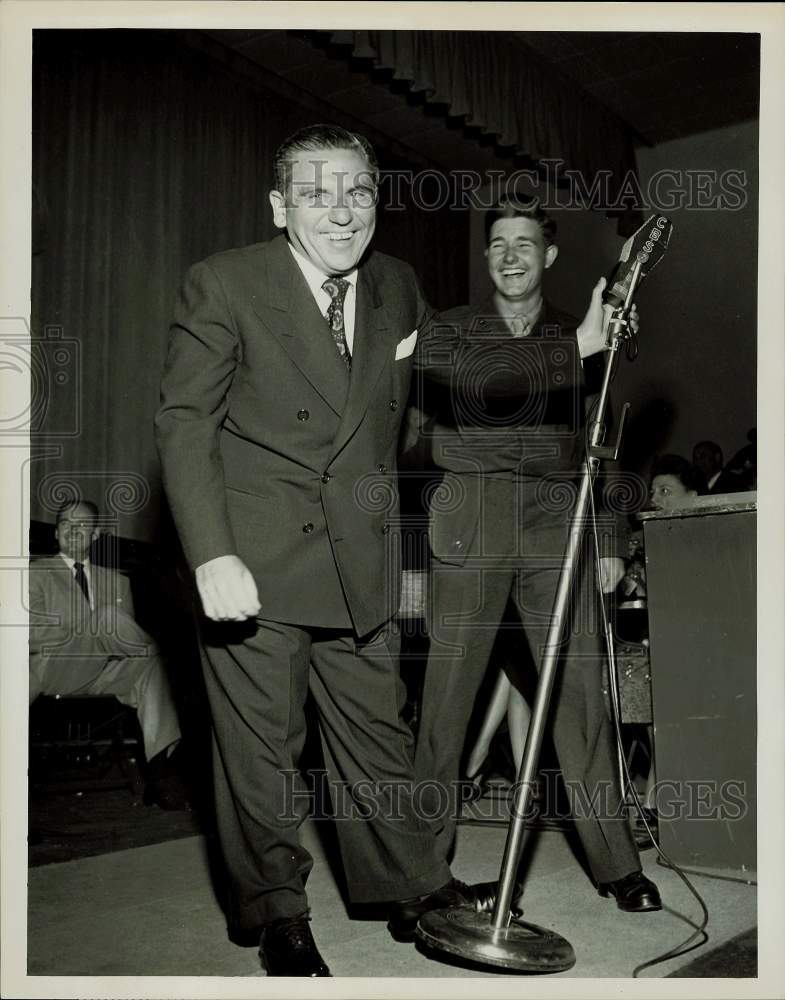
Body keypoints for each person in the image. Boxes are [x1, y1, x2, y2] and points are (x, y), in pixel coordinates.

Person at [154, 125, 613, 976]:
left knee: (376, 742)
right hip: (251, 565)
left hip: (356, 563)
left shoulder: (397, 287)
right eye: (316, 191)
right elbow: (183, 424)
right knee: (262, 751)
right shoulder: (225, 283)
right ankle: (277, 910)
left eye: (358, 191)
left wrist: (572, 348)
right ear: (279, 205)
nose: (340, 210)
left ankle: (410, 886)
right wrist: (210, 553)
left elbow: (468, 368)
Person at [410, 197, 663, 914]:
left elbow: (602, 439)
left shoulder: (579, 330)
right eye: (497, 244)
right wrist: (580, 344)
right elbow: (473, 383)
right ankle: (421, 874)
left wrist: (608, 540)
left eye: (525, 243)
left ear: (549, 257)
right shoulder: (450, 331)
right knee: (445, 708)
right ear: (486, 256)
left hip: (556, 523)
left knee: (580, 701)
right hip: (472, 516)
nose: (511, 254)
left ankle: (616, 864)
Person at [28, 500, 186, 809]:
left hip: (102, 676)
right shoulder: (34, 573)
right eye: (65, 525)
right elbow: (29, 632)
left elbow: (124, 649)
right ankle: (175, 664)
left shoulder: (118, 581)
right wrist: (88, 630)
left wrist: (100, 634)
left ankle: (160, 773)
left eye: (82, 525)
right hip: (56, 669)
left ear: (96, 534)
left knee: (149, 669)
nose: (73, 531)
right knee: (109, 620)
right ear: (57, 534)